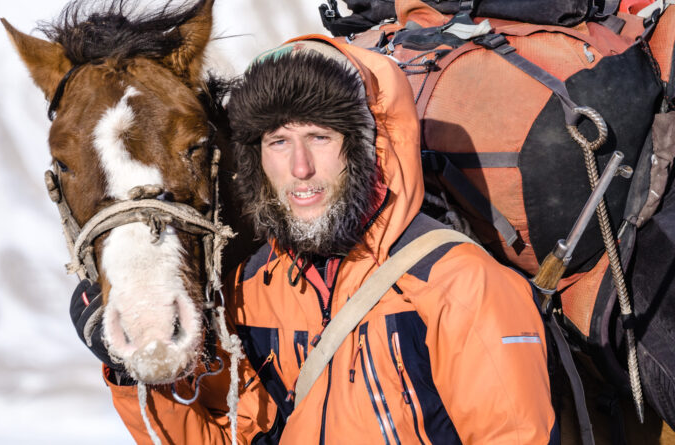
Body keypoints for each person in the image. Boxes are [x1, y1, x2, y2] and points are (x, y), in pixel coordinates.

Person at [71, 36, 557, 444]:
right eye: (278, 142)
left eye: (320, 137)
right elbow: (232, 435)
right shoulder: (257, 288)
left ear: (368, 147)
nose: (299, 168)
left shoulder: (460, 285)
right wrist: (139, 370)